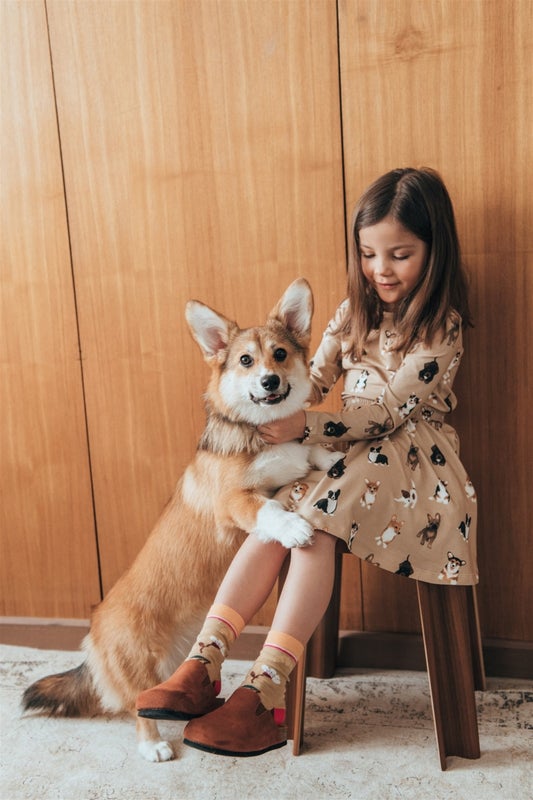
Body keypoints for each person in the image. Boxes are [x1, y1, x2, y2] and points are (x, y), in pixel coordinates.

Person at [136, 167, 478, 757]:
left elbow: (391, 412)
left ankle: (264, 693)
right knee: (280, 517)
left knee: (312, 524)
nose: (382, 269)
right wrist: (276, 396)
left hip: (414, 461)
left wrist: (306, 425)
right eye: (370, 254)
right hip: (347, 453)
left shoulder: (440, 325)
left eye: (400, 254)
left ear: (433, 250)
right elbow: (314, 377)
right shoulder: (353, 312)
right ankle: (205, 664)